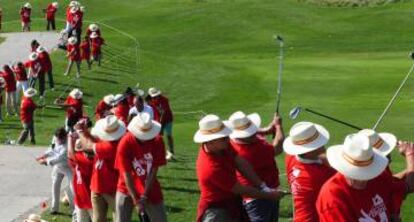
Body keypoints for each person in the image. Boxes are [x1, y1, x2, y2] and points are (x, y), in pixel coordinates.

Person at [194, 114, 289, 222]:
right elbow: (240, 189)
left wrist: (261, 185)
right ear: (210, 141)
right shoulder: (211, 168)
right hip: (217, 210)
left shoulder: (223, 145)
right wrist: (268, 195)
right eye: (224, 138)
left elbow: (241, 163)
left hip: (232, 201)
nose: (229, 139)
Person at [316, 134, 414, 221]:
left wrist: (392, 215)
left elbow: (405, 188)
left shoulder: (378, 175)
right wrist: (410, 154)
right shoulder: (333, 197)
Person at [227, 111, 284, 222]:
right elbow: (278, 147)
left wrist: (269, 128)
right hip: (259, 199)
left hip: (260, 195)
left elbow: (257, 133)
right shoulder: (253, 151)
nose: (255, 133)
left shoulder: (233, 141)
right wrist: (278, 126)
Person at [115, 112, 168, 222]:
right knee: (121, 219)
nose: (146, 138)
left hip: (149, 186)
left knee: (160, 219)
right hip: (126, 186)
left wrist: (144, 197)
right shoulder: (125, 143)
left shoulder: (158, 141)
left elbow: (154, 171)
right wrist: (136, 201)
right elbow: (126, 174)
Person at [75, 115, 126, 222]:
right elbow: (95, 140)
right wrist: (85, 131)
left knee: (119, 218)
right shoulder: (109, 140)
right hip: (98, 187)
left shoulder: (111, 146)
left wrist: (80, 131)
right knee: (99, 219)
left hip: (111, 189)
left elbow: (87, 146)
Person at [283, 121, 336, 222]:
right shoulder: (320, 174)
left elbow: (321, 157)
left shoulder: (291, 157)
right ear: (311, 150)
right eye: (319, 143)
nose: (323, 145)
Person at [35, 127, 74, 215]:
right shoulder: (55, 138)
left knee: (72, 188)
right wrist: (43, 155)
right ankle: (54, 208)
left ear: (65, 136)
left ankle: (74, 209)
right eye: (58, 138)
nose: (59, 141)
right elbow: (52, 149)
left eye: (61, 139)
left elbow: (59, 157)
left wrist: (45, 161)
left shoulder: (68, 143)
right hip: (58, 167)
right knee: (55, 185)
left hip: (68, 166)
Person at [68, 131, 94, 222]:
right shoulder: (82, 158)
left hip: (87, 198)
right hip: (83, 197)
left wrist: (70, 139)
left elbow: (70, 153)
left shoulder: (84, 160)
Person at [147, 87, 175, 160]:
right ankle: (160, 153)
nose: (155, 97)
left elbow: (163, 113)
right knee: (158, 137)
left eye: (155, 96)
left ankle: (171, 152)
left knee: (168, 136)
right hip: (159, 120)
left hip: (168, 119)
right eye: (153, 96)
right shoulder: (152, 100)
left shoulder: (164, 100)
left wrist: (161, 126)